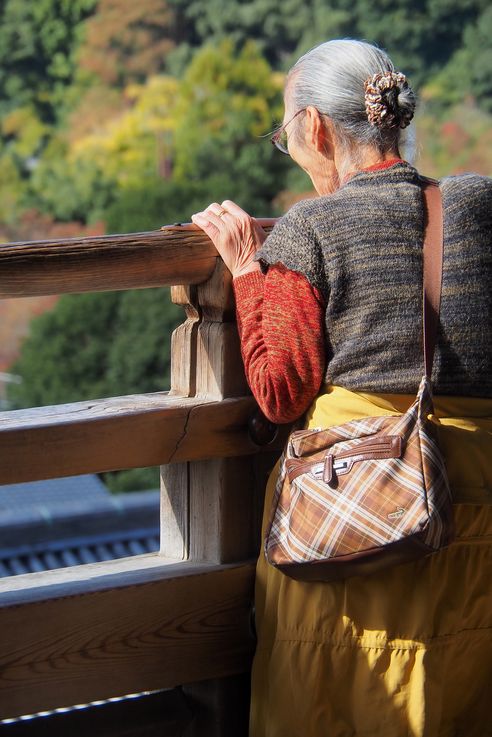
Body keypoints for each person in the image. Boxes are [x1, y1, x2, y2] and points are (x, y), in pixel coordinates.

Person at [191, 39, 492, 737]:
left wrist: (244, 270)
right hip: (477, 507)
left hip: (358, 518)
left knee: (337, 705)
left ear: (317, 129)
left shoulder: (310, 227)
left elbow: (279, 390)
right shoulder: (476, 203)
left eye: (286, 133)